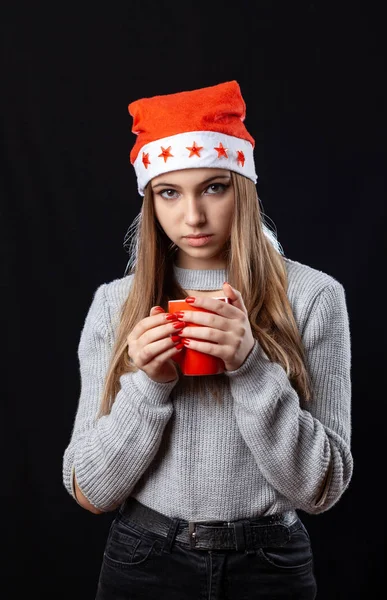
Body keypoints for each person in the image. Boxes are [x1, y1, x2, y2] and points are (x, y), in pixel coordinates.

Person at [62, 80, 353, 599]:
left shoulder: (314, 297)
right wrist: (148, 386)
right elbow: (91, 490)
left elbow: (322, 489)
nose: (192, 217)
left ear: (242, 184)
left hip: (270, 568)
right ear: (149, 201)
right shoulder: (116, 303)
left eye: (213, 187)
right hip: (144, 562)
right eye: (169, 193)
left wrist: (252, 368)